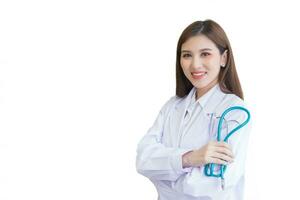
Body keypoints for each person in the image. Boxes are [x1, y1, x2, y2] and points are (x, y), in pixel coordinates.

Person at [136, 19, 252, 200]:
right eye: (187, 55)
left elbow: (212, 188)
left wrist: (163, 173)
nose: (195, 65)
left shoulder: (235, 112)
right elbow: (143, 160)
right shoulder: (172, 106)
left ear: (224, 58)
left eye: (205, 54)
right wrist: (190, 158)